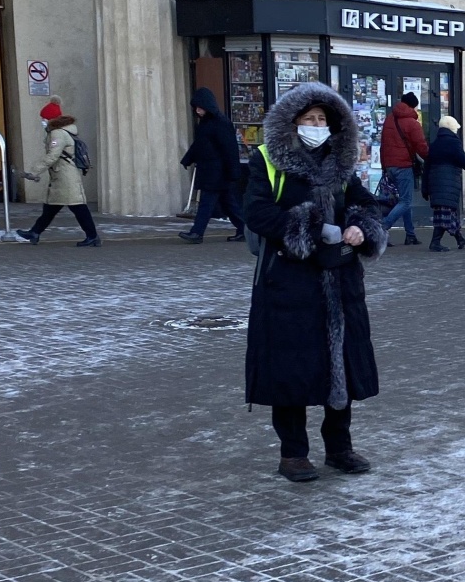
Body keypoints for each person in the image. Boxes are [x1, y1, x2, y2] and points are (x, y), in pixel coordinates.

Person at [244, 84, 385, 483]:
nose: (317, 126)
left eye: (323, 119)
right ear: (292, 124)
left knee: (341, 364)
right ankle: (293, 453)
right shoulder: (268, 160)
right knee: (292, 367)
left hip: (340, 280)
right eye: (309, 119)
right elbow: (256, 213)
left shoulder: (340, 164)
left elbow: (366, 204)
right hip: (289, 281)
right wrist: (310, 228)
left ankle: (339, 447)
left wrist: (360, 227)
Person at [16, 101, 100, 247]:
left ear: (51, 119)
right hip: (61, 175)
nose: (42, 121)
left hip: (65, 177)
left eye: (44, 118)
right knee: (51, 207)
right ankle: (34, 232)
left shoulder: (58, 133)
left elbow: (52, 156)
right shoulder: (61, 131)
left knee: (78, 207)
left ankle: (92, 236)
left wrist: (34, 171)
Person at [178, 86, 245, 243]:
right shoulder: (206, 124)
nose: (197, 111)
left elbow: (229, 149)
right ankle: (245, 229)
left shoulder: (221, 123)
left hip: (218, 172)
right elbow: (199, 145)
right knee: (229, 205)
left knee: (206, 204)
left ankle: (197, 233)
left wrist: (233, 171)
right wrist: (188, 158)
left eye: (200, 107)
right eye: (196, 108)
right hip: (212, 171)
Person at [422, 113, 465, 250]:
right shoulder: (453, 143)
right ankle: (435, 243)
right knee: (445, 215)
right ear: (451, 128)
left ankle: (460, 240)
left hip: (437, 185)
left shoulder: (434, 145)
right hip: (448, 185)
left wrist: (425, 189)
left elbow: (426, 168)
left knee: (448, 214)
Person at [378, 90, 428, 245]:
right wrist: (430, 158)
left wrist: (384, 165)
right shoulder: (412, 123)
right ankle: (381, 228)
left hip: (390, 166)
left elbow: (383, 145)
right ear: (413, 106)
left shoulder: (389, 119)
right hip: (404, 165)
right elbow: (421, 146)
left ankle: (410, 234)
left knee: (403, 200)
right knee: (406, 201)